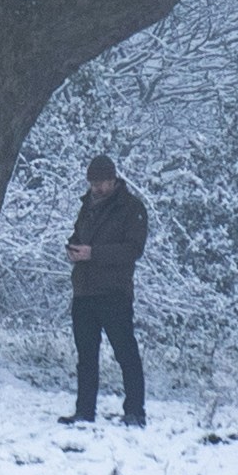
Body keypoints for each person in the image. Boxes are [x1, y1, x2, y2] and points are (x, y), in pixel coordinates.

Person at [63, 153, 149, 426]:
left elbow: (133, 250)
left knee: (126, 354)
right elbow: (79, 236)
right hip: (84, 292)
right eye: (93, 183)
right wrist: (74, 249)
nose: (97, 188)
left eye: (102, 182)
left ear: (114, 180)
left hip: (114, 293)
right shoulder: (86, 206)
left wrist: (92, 254)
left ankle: (135, 412)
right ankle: (84, 412)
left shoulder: (131, 208)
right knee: (86, 358)